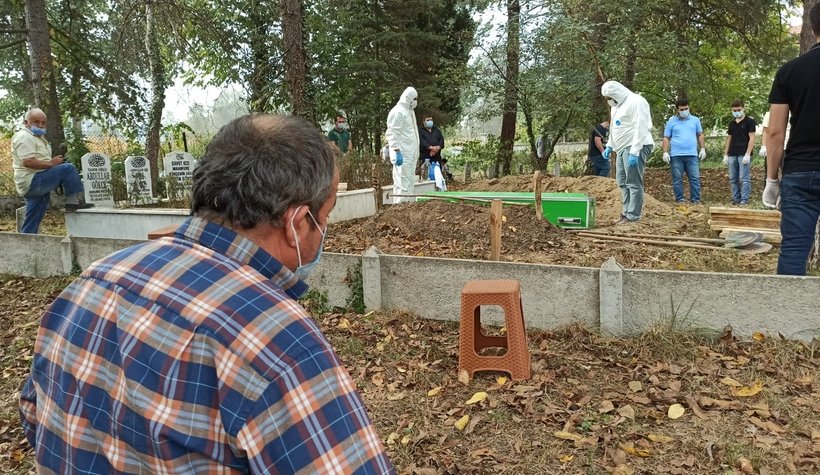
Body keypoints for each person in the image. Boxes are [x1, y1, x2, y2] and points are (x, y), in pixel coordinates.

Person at [19, 114, 395, 474]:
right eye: (326, 214)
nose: (324, 227)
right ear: (297, 222)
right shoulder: (279, 343)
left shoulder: (93, 282)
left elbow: (35, 418)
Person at [762, 3, 820, 276]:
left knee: (795, 249)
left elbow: (774, 132)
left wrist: (772, 180)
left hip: (800, 173)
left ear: (812, 27)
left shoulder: (790, 71)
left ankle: (787, 318)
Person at [11, 108, 93, 233]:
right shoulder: (24, 137)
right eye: (36, 122)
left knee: (33, 218)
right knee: (68, 168)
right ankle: (73, 202)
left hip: (33, 181)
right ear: (26, 122)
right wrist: (51, 164)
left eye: (43, 123)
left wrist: (52, 165)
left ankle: (26, 241)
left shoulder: (36, 137)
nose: (40, 125)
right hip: (33, 180)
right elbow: (28, 161)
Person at [600, 80, 655, 224]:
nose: (608, 101)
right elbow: (616, 128)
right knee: (621, 181)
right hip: (621, 148)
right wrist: (610, 146)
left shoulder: (636, 101)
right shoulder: (616, 106)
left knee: (633, 182)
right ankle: (625, 213)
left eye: (609, 98)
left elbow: (641, 127)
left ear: (616, 93)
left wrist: (635, 152)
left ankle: (633, 215)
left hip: (635, 146)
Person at [661, 98, 706, 204]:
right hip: (676, 155)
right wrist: (665, 152)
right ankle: (680, 198)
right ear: (677, 110)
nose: (684, 111)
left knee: (694, 177)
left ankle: (695, 199)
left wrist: (703, 148)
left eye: (686, 108)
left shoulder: (695, 120)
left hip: (692, 154)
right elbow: (666, 137)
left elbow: (700, 134)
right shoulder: (671, 122)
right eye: (682, 109)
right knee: (677, 178)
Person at [385, 87, 420, 203]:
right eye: (414, 99)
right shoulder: (398, 112)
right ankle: (399, 208)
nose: (415, 101)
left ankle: (408, 207)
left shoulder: (409, 111)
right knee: (402, 183)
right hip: (403, 154)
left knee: (409, 182)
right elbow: (392, 133)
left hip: (411, 154)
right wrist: (396, 151)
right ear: (408, 98)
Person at [723, 99, 756, 205]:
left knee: (744, 178)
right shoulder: (732, 123)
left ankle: (744, 199)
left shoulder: (749, 121)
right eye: (734, 110)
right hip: (732, 153)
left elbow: (752, 138)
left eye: (738, 110)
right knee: (733, 178)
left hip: (743, 153)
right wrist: (725, 154)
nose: (736, 112)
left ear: (743, 108)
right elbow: (729, 138)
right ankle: (735, 198)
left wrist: (748, 153)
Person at [419, 114, 446, 190]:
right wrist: (430, 148)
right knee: (427, 175)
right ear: (424, 122)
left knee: (438, 175)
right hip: (426, 157)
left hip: (437, 157)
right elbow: (422, 142)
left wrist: (437, 148)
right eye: (428, 120)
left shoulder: (436, 130)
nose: (430, 121)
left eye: (431, 120)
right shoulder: (420, 131)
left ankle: (439, 189)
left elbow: (442, 140)